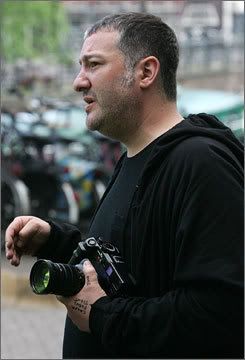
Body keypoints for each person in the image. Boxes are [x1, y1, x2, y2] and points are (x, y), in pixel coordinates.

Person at [5, 12, 244, 359]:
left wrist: (101, 315)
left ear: (146, 72)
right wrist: (56, 242)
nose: (78, 82)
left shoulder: (201, 164)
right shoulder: (134, 157)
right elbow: (129, 267)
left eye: (94, 65)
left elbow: (218, 314)